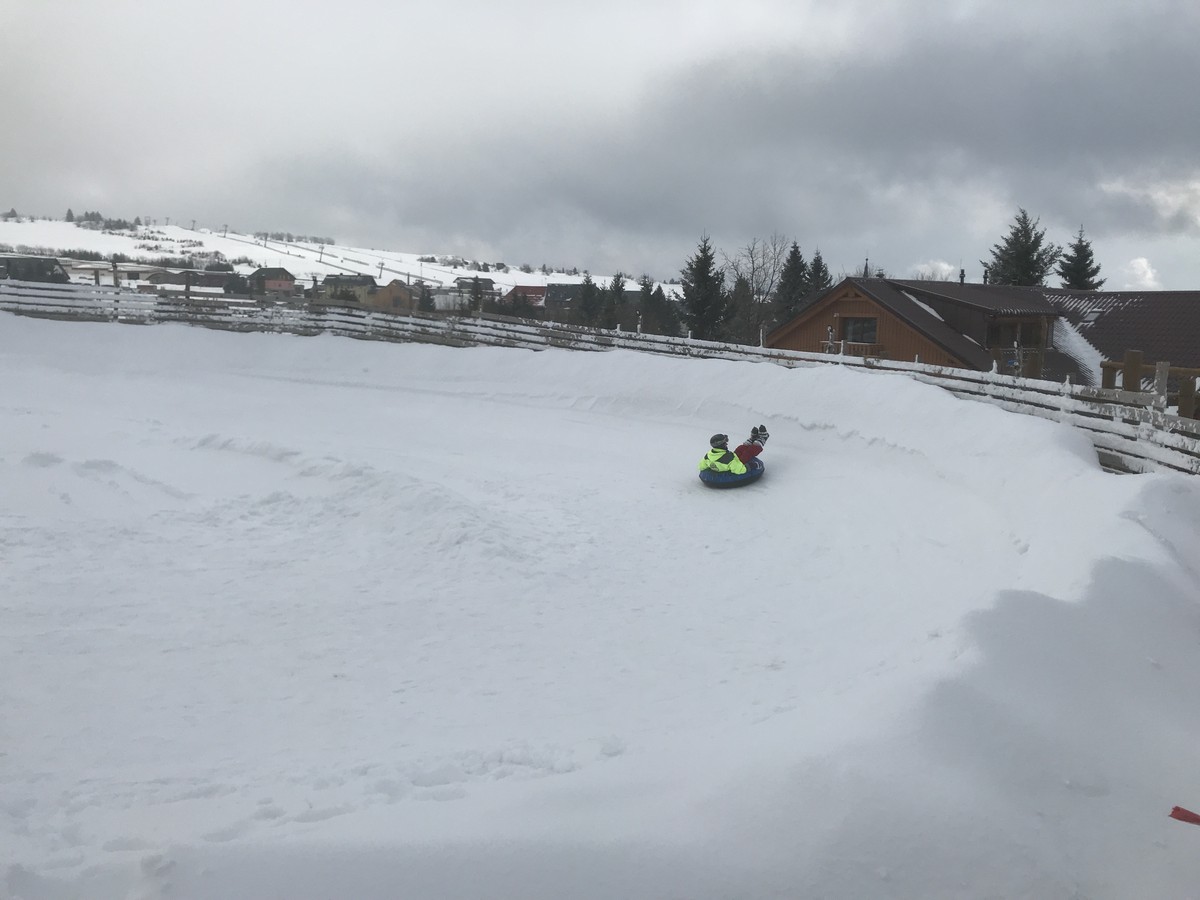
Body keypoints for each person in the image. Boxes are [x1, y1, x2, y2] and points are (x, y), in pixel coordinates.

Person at [698, 425, 769, 474]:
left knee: (739, 449)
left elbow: (701, 466)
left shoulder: (708, 455)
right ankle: (761, 440)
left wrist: (714, 466)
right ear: (721, 445)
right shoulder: (729, 459)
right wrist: (751, 466)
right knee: (748, 453)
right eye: (725, 443)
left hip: (727, 459)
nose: (727, 444)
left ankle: (752, 440)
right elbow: (740, 470)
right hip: (734, 464)